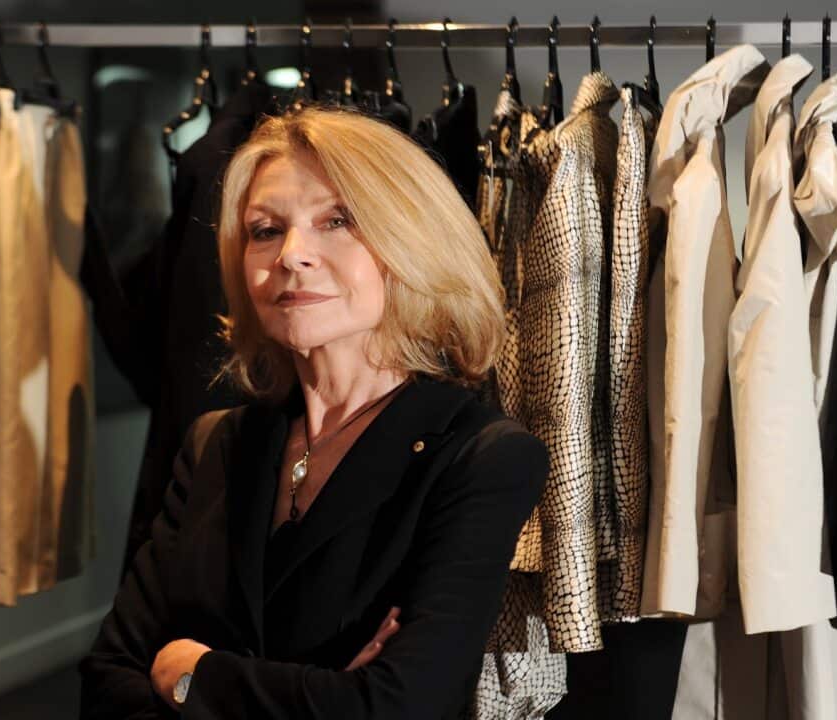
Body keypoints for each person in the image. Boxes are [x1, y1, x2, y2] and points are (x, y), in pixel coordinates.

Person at [79, 105, 546, 719]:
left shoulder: (481, 456)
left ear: (412, 243)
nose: (292, 254)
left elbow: (397, 706)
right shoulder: (216, 443)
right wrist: (318, 694)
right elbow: (106, 682)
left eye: (337, 220)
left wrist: (191, 675)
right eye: (265, 230)